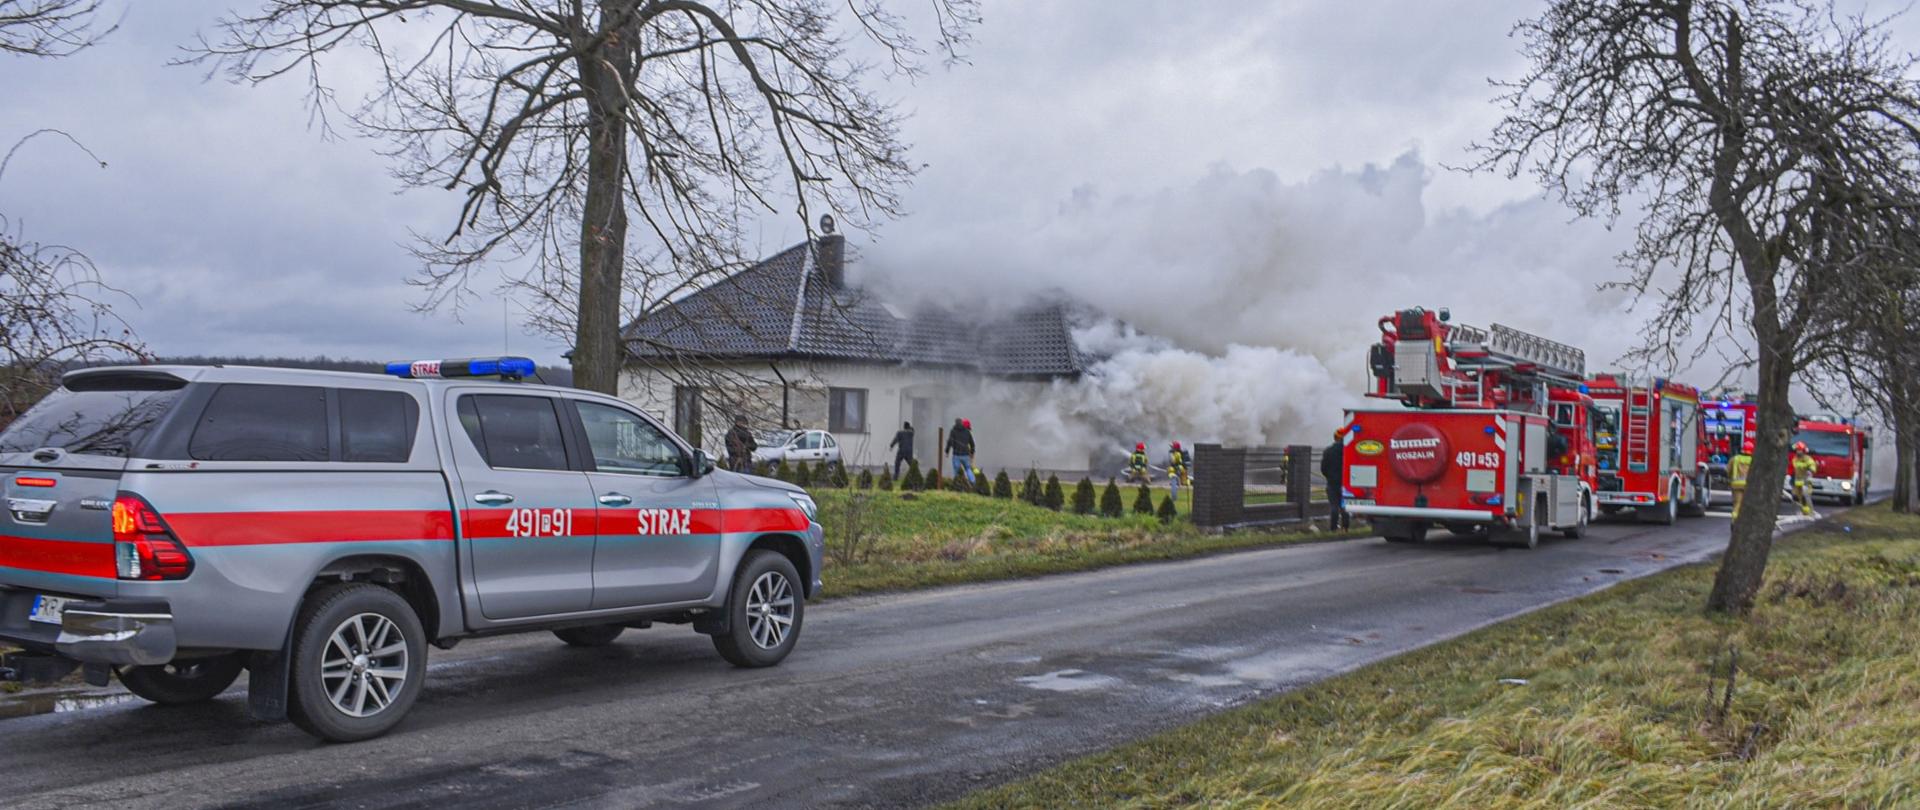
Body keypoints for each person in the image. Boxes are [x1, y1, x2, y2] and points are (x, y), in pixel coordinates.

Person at [1321, 432, 1348, 530]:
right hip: (1345, 483)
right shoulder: (1347, 451)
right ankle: (1345, 528)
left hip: (1332, 483)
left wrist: (1329, 476)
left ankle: (1333, 528)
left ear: (1335, 438)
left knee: (1334, 506)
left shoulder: (1328, 451)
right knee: (1344, 506)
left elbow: (1323, 468)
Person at [1792, 441, 1819, 516]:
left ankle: (1809, 512)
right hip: (1797, 481)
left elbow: (1812, 465)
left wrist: (1810, 470)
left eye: (1799, 450)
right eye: (1797, 450)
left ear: (1803, 450)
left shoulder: (1807, 459)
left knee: (1805, 496)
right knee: (1796, 497)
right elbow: (1795, 466)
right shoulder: (1795, 459)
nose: (1798, 452)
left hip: (1806, 481)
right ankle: (1801, 511)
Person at [1728, 438, 1754, 517]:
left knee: (1737, 504)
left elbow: (1728, 470)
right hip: (1749, 486)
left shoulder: (1735, 459)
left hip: (1736, 485)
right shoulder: (1754, 460)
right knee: (1748, 505)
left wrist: (1729, 479)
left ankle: (1734, 520)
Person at [947, 418, 976, 485]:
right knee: (968, 469)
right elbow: (972, 443)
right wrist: (972, 452)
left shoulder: (953, 431)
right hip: (966, 455)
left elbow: (950, 442)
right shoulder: (967, 432)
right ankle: (973, 482)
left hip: (956, 454)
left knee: (956, 471)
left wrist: (947, 451)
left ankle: (956, 484)